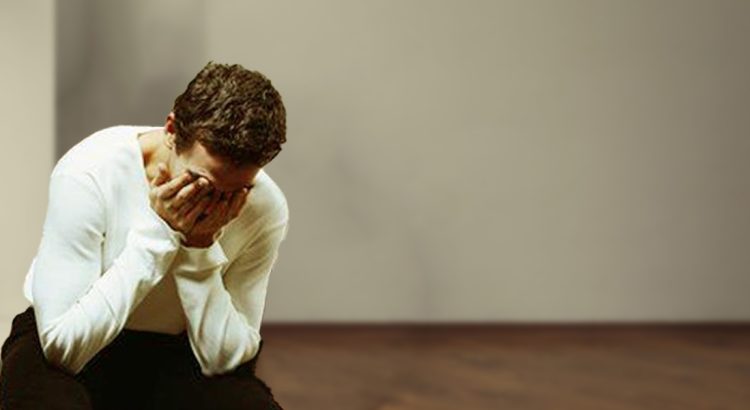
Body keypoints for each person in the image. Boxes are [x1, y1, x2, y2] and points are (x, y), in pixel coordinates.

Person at [0, 61, 289, 409]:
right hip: (67, 341)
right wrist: (159, 233)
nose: (215, 204)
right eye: (201, 184)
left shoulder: (264, 206)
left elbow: (227, 360)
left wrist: (200, 248)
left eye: (235, 192)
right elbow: (63, 347)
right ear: (171, 130)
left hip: (176, 352)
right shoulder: (91, 170)